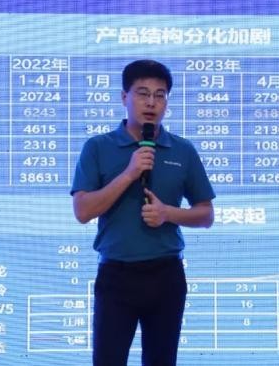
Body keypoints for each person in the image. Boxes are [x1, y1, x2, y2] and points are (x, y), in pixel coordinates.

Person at [71, 59, 215, 366]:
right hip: (116, 275)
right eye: (142, 93)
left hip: (166, 275)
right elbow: (82, 211)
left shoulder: (183, 150)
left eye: (160, 95)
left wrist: (167, 213)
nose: (151, 103)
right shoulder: (97, 147)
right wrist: (129, 173)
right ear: (124, 97)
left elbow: (206, 215)